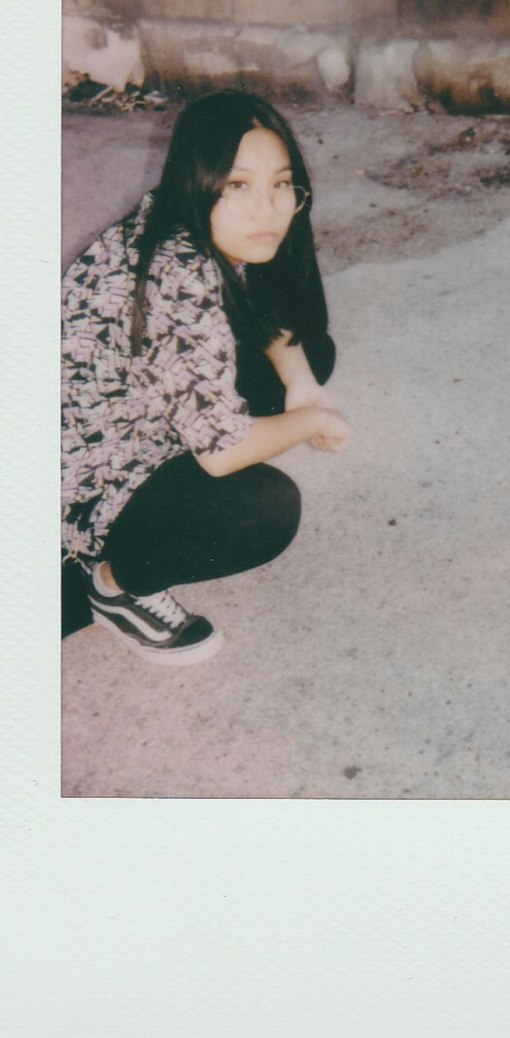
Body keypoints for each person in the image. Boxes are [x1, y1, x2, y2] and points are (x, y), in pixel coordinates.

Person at [61, 89, 350, 665]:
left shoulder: (181, 218)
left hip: (135, 417)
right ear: (200, 179)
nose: (267, 208)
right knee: (259, 509)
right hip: (80, 490)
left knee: (308, 354)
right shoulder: (174, 278)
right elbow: (224, 455)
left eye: (280, 183)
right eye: (238, 185)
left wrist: (301, 387)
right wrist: (311, 418)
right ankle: (116, 586)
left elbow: (273, 312)